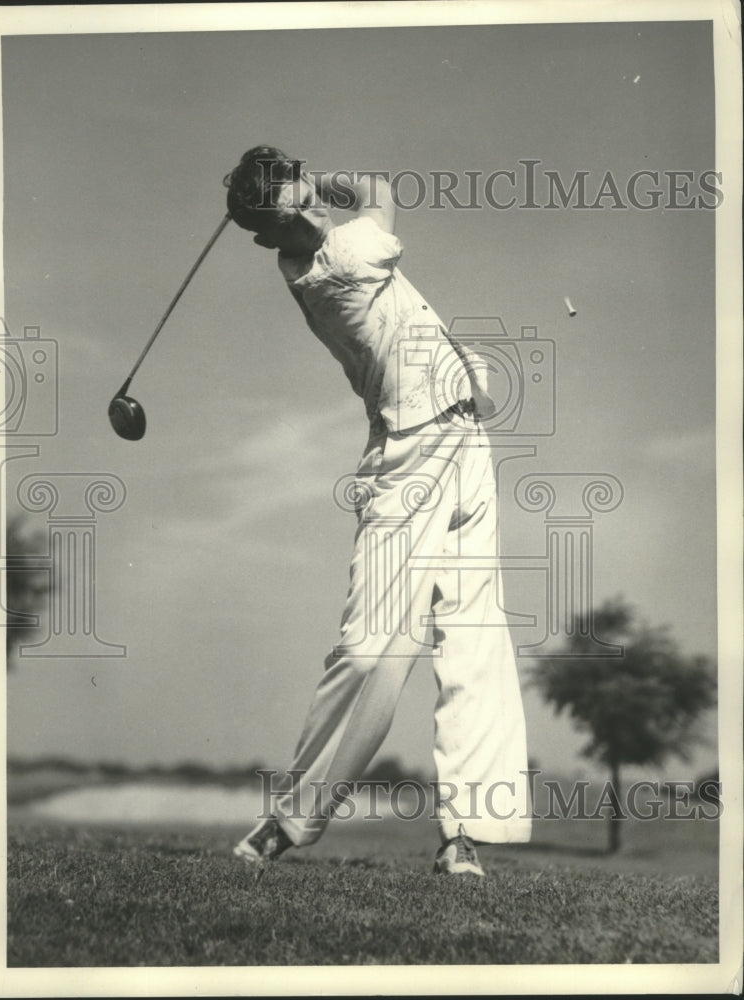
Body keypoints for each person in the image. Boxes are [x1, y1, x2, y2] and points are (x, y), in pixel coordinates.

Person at [223, 147, 531, 876]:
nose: (314, 199)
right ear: (290, 215)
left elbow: (341, 204)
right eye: (299, 194)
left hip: (465, 437)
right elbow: (379, 189)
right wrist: (317, 176)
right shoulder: (343, 262)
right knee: (372, 648)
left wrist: (290, 187)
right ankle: (291, 819)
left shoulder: (300, 256)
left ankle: (465, 836)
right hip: (407, 455)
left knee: (474, 632)